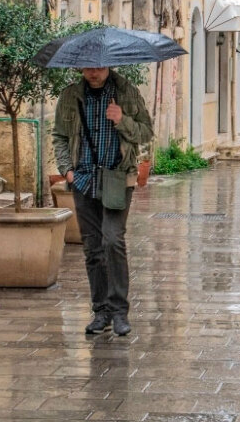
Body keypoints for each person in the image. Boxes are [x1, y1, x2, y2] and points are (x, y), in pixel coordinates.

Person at [52, 66, 153, 336]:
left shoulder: (127, 92)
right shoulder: (70, 95)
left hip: (118, 177)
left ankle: (120, 311)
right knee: (93, 248)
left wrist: (122, 120)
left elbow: (146, 132)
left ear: (108, 66)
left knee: (112, 240)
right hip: (83, 180)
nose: (93, 73)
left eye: (98, 67)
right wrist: (67, 171)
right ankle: (101, 311)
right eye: (87, 68)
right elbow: (60, 135)